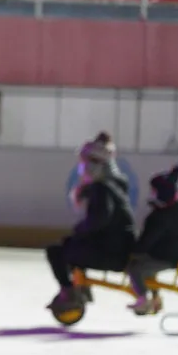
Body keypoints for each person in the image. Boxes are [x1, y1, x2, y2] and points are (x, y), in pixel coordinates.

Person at [46, 132, 136, 315]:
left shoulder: (102, 188)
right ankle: (80, 287)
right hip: (116, 247)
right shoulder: (111, 184)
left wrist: (80, 231)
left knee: (56, 252)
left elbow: (100, 218)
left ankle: (71, 292)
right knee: (68, 244)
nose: (82, 168)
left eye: (84, 164)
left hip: (113, 253)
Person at [127, 165, 178, 316]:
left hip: (166, 257)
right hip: (171, 253)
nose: (151, 194)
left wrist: (132, 250)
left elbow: (147, 241)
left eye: (154, 191)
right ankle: (155, 298)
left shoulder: (161, 217)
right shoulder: (177, 209)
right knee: (145, 267)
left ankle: (144, 299)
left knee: (135, 268)